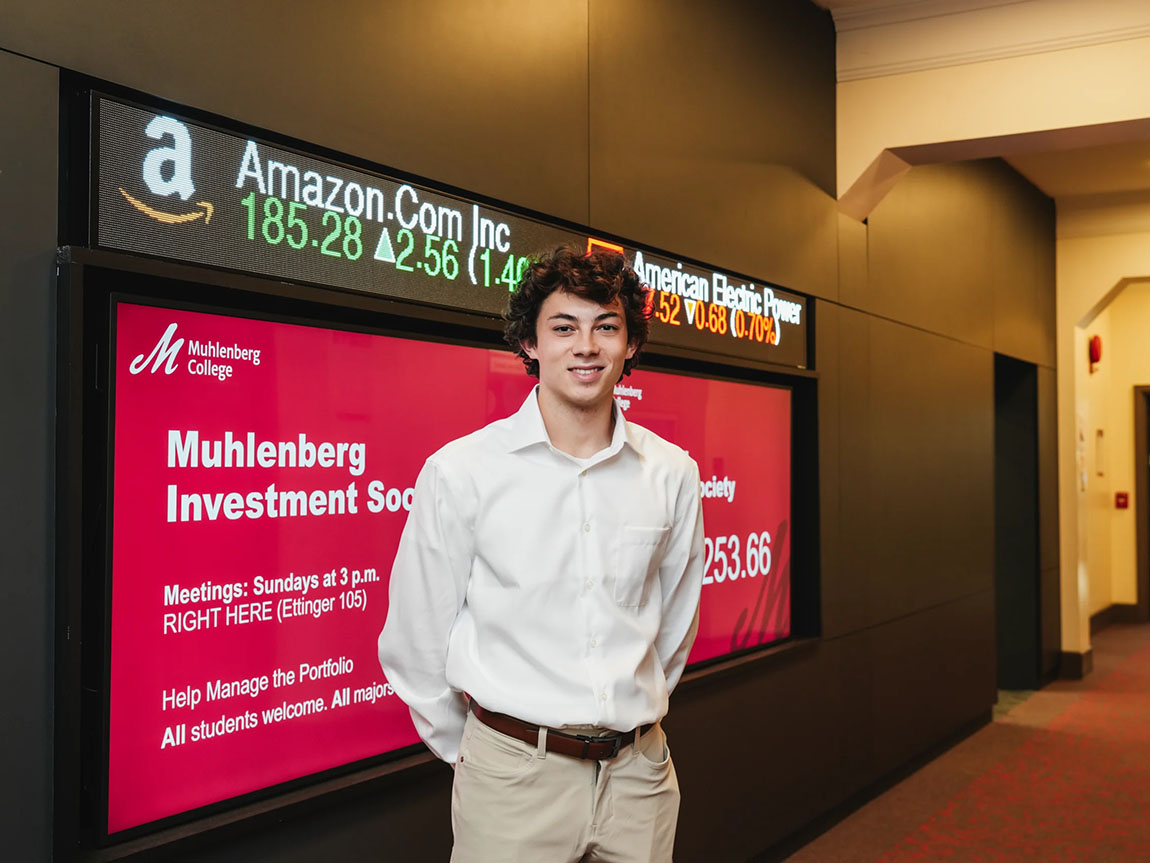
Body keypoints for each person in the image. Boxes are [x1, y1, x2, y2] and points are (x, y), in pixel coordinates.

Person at [378, 245, 704, 862]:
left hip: (640, 780)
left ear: (630, 345)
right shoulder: (462, 471)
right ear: (530, 344)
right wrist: (480, 756)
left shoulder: (672, 473)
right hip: (511, 783)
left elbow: (673, 632)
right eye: (564, 327)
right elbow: (414, 642)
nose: (586, 346)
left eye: (606, 327)